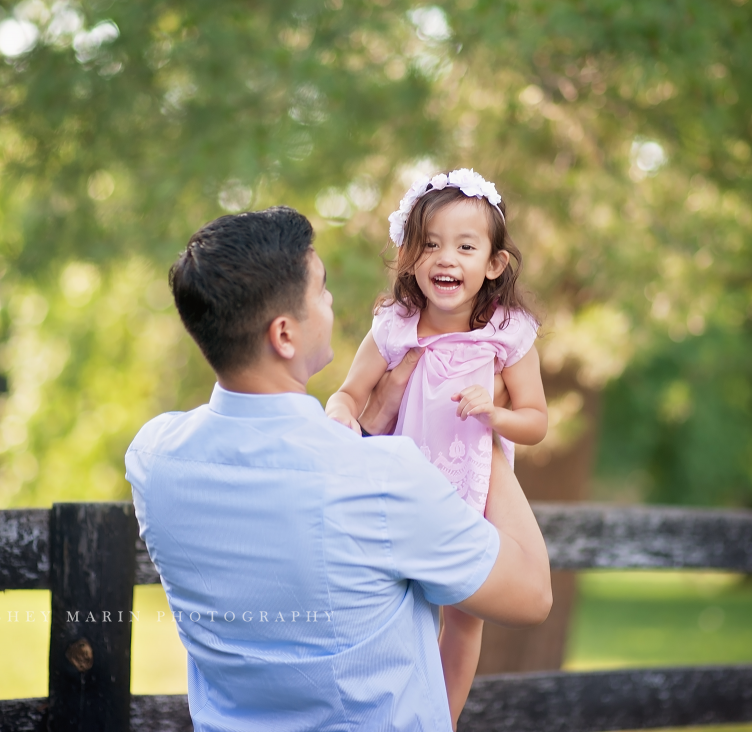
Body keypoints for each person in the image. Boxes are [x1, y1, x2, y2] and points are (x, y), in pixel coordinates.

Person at [124, 206, 552, 732]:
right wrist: (482, 438)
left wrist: (370, 422)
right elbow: (532, 594)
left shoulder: (152, 457)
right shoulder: (385, 478)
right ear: (285, 335)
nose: (331, 303)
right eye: (321, 290)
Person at [324, 169, 549, 726]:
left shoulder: (506, 331)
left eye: (465, 246)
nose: (446, 258)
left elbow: (537, 420)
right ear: (409, 256)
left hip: (473, 481)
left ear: (493, 263)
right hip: (405, 484)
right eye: (430, 244)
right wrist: (340, 415)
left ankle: (441, 721)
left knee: (465, 617)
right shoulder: (396, 326)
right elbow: (351, 391)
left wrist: (494, 413)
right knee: (403, 608)